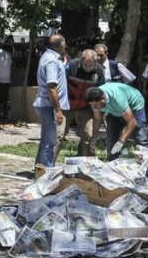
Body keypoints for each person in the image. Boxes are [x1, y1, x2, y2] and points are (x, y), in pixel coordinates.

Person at [87, 82, 148, 160]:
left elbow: (132, 122)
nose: (94, 107)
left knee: (140, 137)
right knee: (111, 140)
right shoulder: (95, 99)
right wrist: (94, 137)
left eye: (96, 105)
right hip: (115, 111)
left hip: (134, 107)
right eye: (91, 105)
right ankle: (113, 163)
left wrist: (121, 140)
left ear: (103, 98)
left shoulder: (117, 98)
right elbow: (97, 119)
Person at [33, 35, 69, 168]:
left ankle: (40, 169)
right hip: (48, 105)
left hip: (46, 104)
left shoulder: (48, 56)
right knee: (49, 142)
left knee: (46, 140)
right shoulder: (52, 61)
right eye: (64, 44)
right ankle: (47, 173)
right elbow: (52, 87)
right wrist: (58, 110)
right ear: (60, 46)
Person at [65, 48, 104, 157]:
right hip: (67, 105)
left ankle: (86, 164)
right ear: (81, 61)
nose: (87, 68)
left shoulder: (99, 71)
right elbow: (62, 84)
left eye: (90, 65)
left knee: (88, 135)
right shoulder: (71, 66)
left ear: (95, 63)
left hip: (85, 108)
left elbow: (99, 91)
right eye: (85, 65)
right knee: (58, 136)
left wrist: (95, 109)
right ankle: (49, 165)